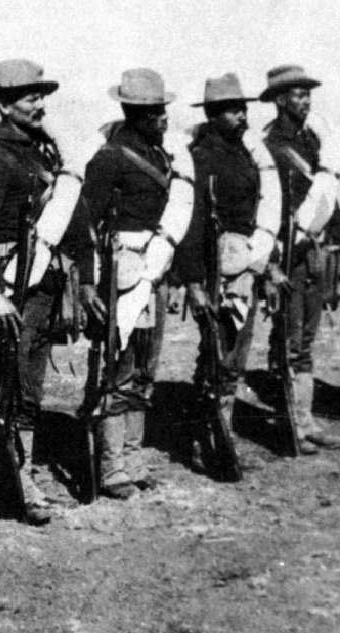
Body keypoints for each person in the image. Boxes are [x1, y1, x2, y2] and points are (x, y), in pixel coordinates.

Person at [69, 68, 194, 499]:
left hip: (152, 271)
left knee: (145, 368)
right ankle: (111, 467)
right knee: (116, 369)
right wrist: (89, 283)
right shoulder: (109, 159)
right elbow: (84, 223)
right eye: (156, 112)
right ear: (136, 113)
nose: (164, 119)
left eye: (163, 111)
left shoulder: (162, 158)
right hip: (120, 277)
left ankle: (134, 459)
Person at [0, 59, 80, 524]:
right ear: (3, 103)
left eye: (41, 96)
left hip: (42, 283)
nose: (39, 105)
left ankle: (23, 474)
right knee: (6, 384)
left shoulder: (43, 154)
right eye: (29, 97)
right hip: (12, 285)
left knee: (30, 382)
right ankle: (4, 481)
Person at [175, 73, 283, 471]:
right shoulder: (201, 158)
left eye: (244, 108)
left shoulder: (246, 154)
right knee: (216, 353)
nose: (242, 116)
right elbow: (192, 222)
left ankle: (223, 433)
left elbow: (259, 212)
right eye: (233, 110)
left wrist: (264, 261)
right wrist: (193, 281)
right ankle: (203, 441)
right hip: (213, 267)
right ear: (213, 114)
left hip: (245, 262)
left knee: (236, 351)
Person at [259, 64, 340, 454]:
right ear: (280, 100)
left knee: (306, 343)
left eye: (308, 93)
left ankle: (304, 421)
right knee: (289, 341)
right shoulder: (268, 146)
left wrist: (339, 251)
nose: (306, 100)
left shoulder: (312, 142)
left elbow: (330, 199)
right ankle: (289, 423)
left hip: (315, 250)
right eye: (298, 94)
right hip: (287, 252)